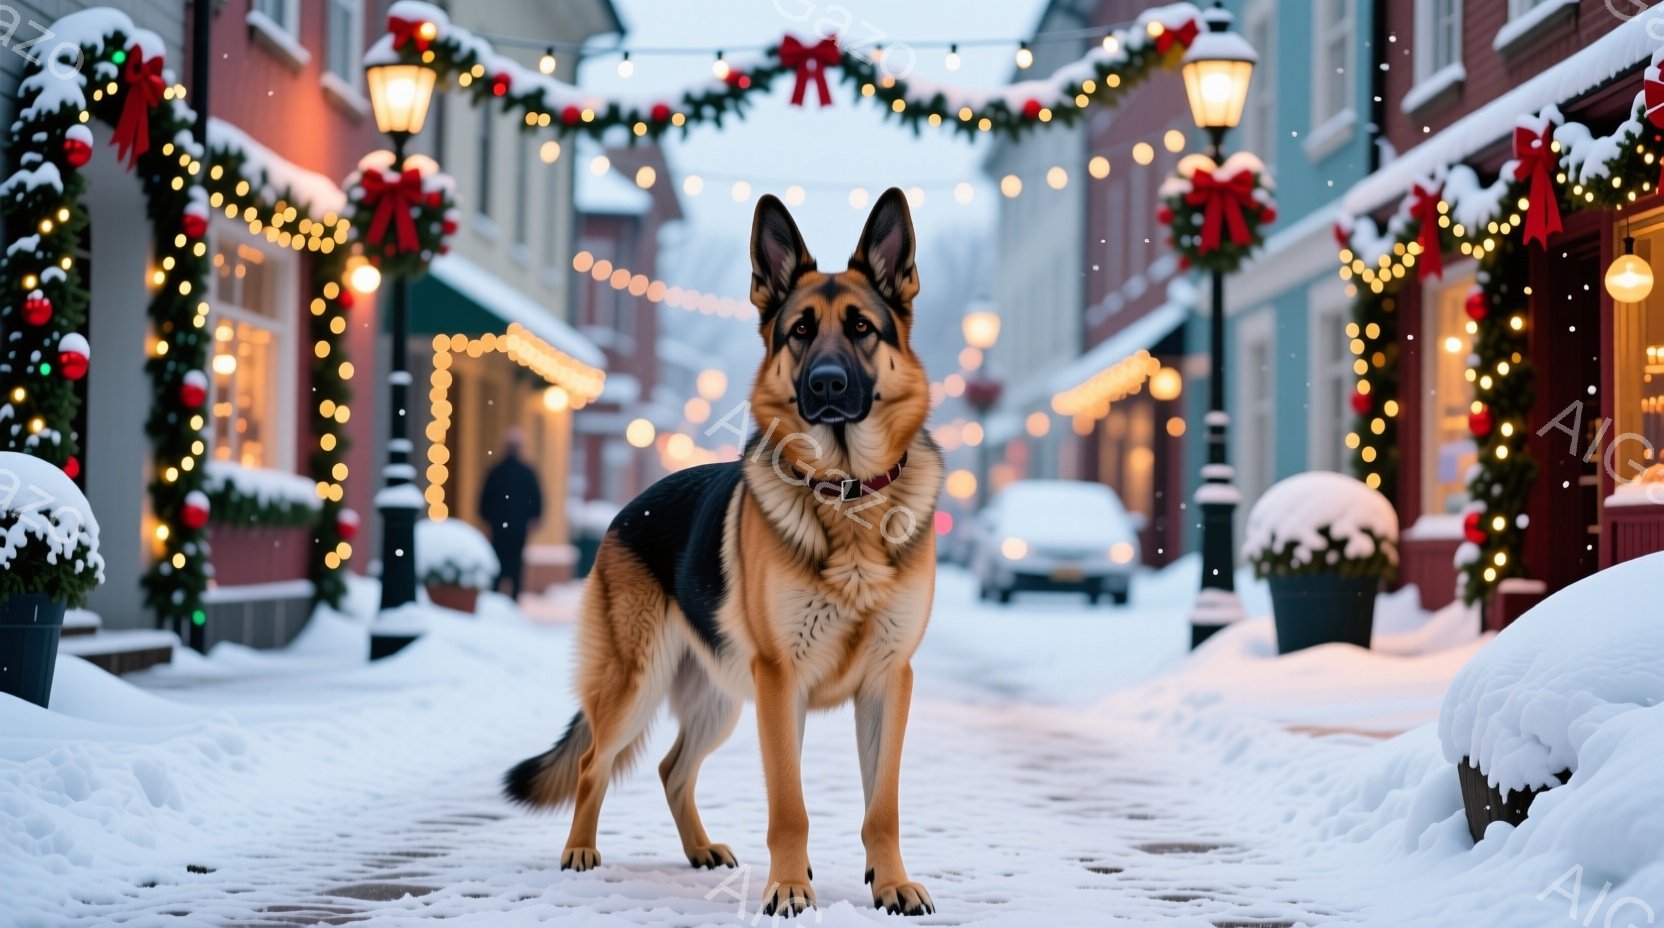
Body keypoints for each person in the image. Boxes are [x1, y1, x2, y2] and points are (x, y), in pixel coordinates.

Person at [478, 428, 543, 600]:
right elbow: (536, 500)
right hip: (515, 528)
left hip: (501, 528)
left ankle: (498, 599)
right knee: (513, 567)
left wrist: (488, 519)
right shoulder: (526, 473)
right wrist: (533, 519)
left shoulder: (496, 472)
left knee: (499, 566)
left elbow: (484, 501)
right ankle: (511, 600)